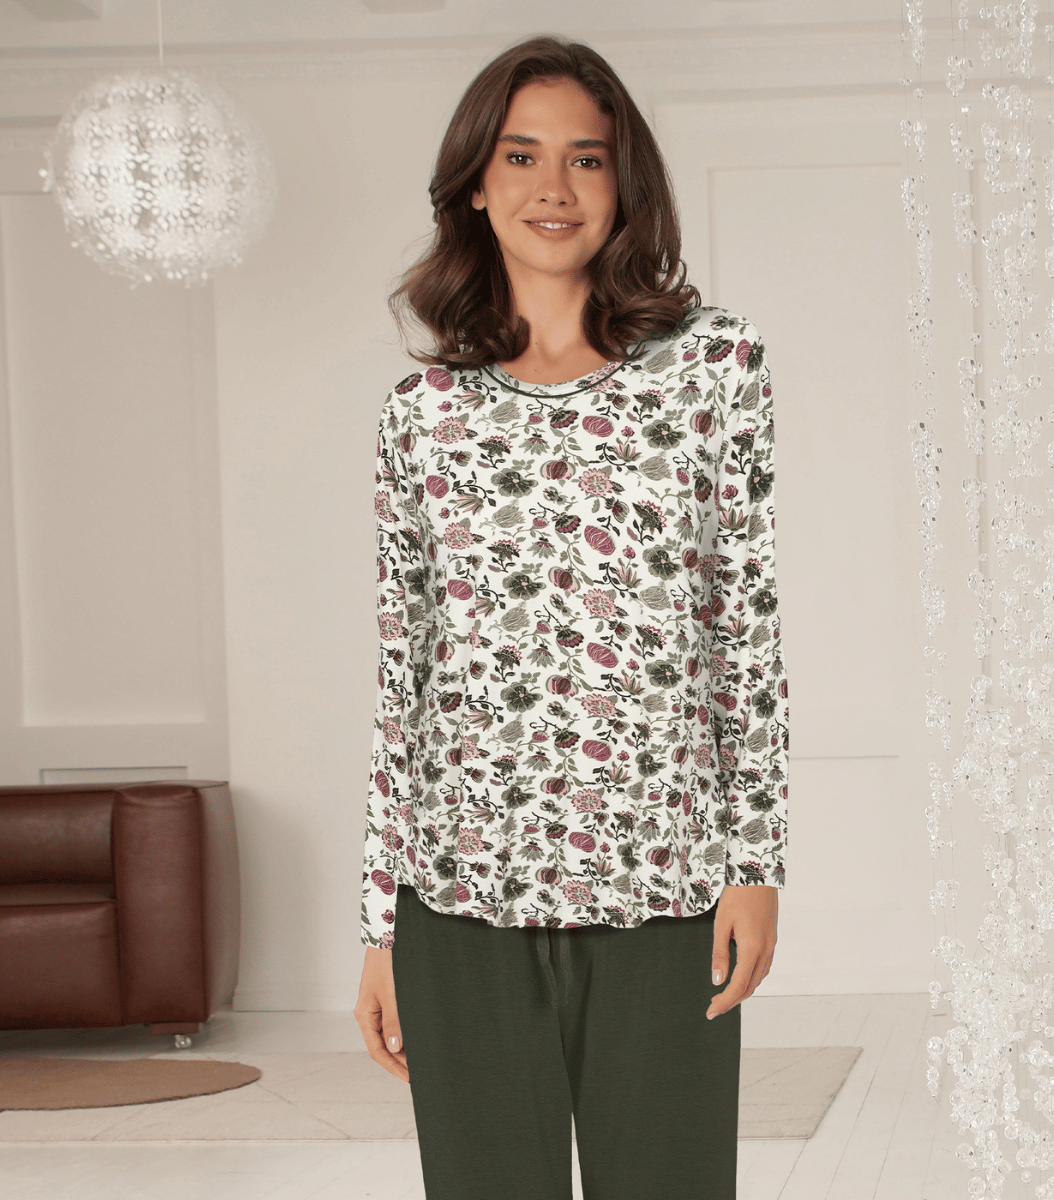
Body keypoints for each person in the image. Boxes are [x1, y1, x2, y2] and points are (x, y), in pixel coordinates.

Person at [353, 33, 787, 1200]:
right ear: (475, 183)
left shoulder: (714, 370)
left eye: (586, 159)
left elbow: (742, 629)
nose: (554, 187)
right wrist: (381, 926)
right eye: (522, 155)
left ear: (623, 181)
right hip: (459, 906)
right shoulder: (422, 414)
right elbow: (405, 680)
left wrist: (755, 866)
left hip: (663, 893)